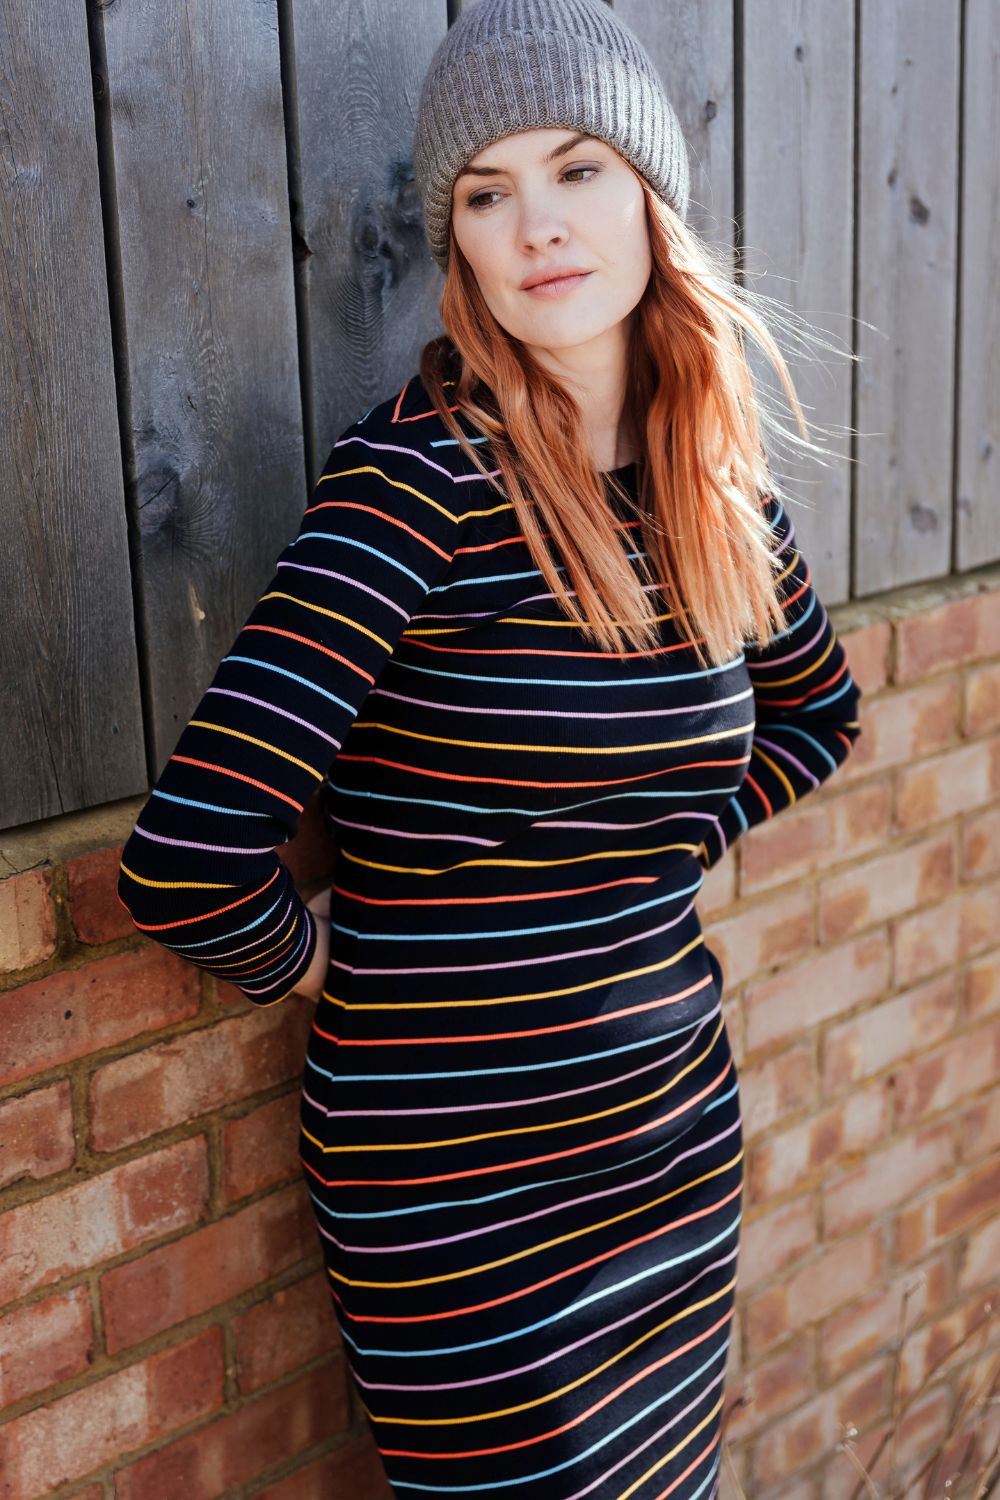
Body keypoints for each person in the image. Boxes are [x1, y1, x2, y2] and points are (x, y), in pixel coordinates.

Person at [118, 1, 863, 1494]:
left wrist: (638, 873)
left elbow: (819, 714)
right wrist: (348, 962)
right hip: (464, 1194)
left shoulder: (713, 487)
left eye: (579, 170)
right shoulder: (417, 485)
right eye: (485, 193)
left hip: (670, 1135)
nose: (538, 226)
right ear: (455, 239)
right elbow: (188, 859)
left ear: (651, 197)